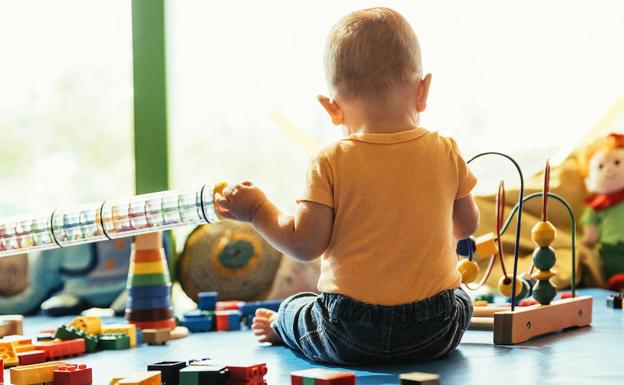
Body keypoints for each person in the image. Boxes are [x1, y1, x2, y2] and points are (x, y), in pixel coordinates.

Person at [215, 7, 480, 364]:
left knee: (296, 307)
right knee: (462, 296)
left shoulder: (329, 161)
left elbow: (304, 245)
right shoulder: (446, 148)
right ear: (423, 91)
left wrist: (258, 211)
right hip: (435, 330)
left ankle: (281, 326)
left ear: (332, 109)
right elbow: (467, 225)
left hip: (351, 334)